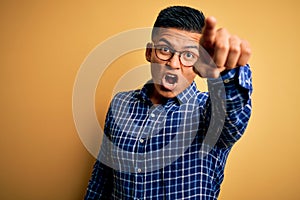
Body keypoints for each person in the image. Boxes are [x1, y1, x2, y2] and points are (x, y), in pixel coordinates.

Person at [84, 5, 252, 200]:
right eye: (165, 50)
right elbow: (102, 178)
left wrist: (225, 73)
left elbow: (232, 118)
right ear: (149, 53)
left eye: (189, 55)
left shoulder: (208, 115)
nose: (173, 64)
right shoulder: (120, 104)